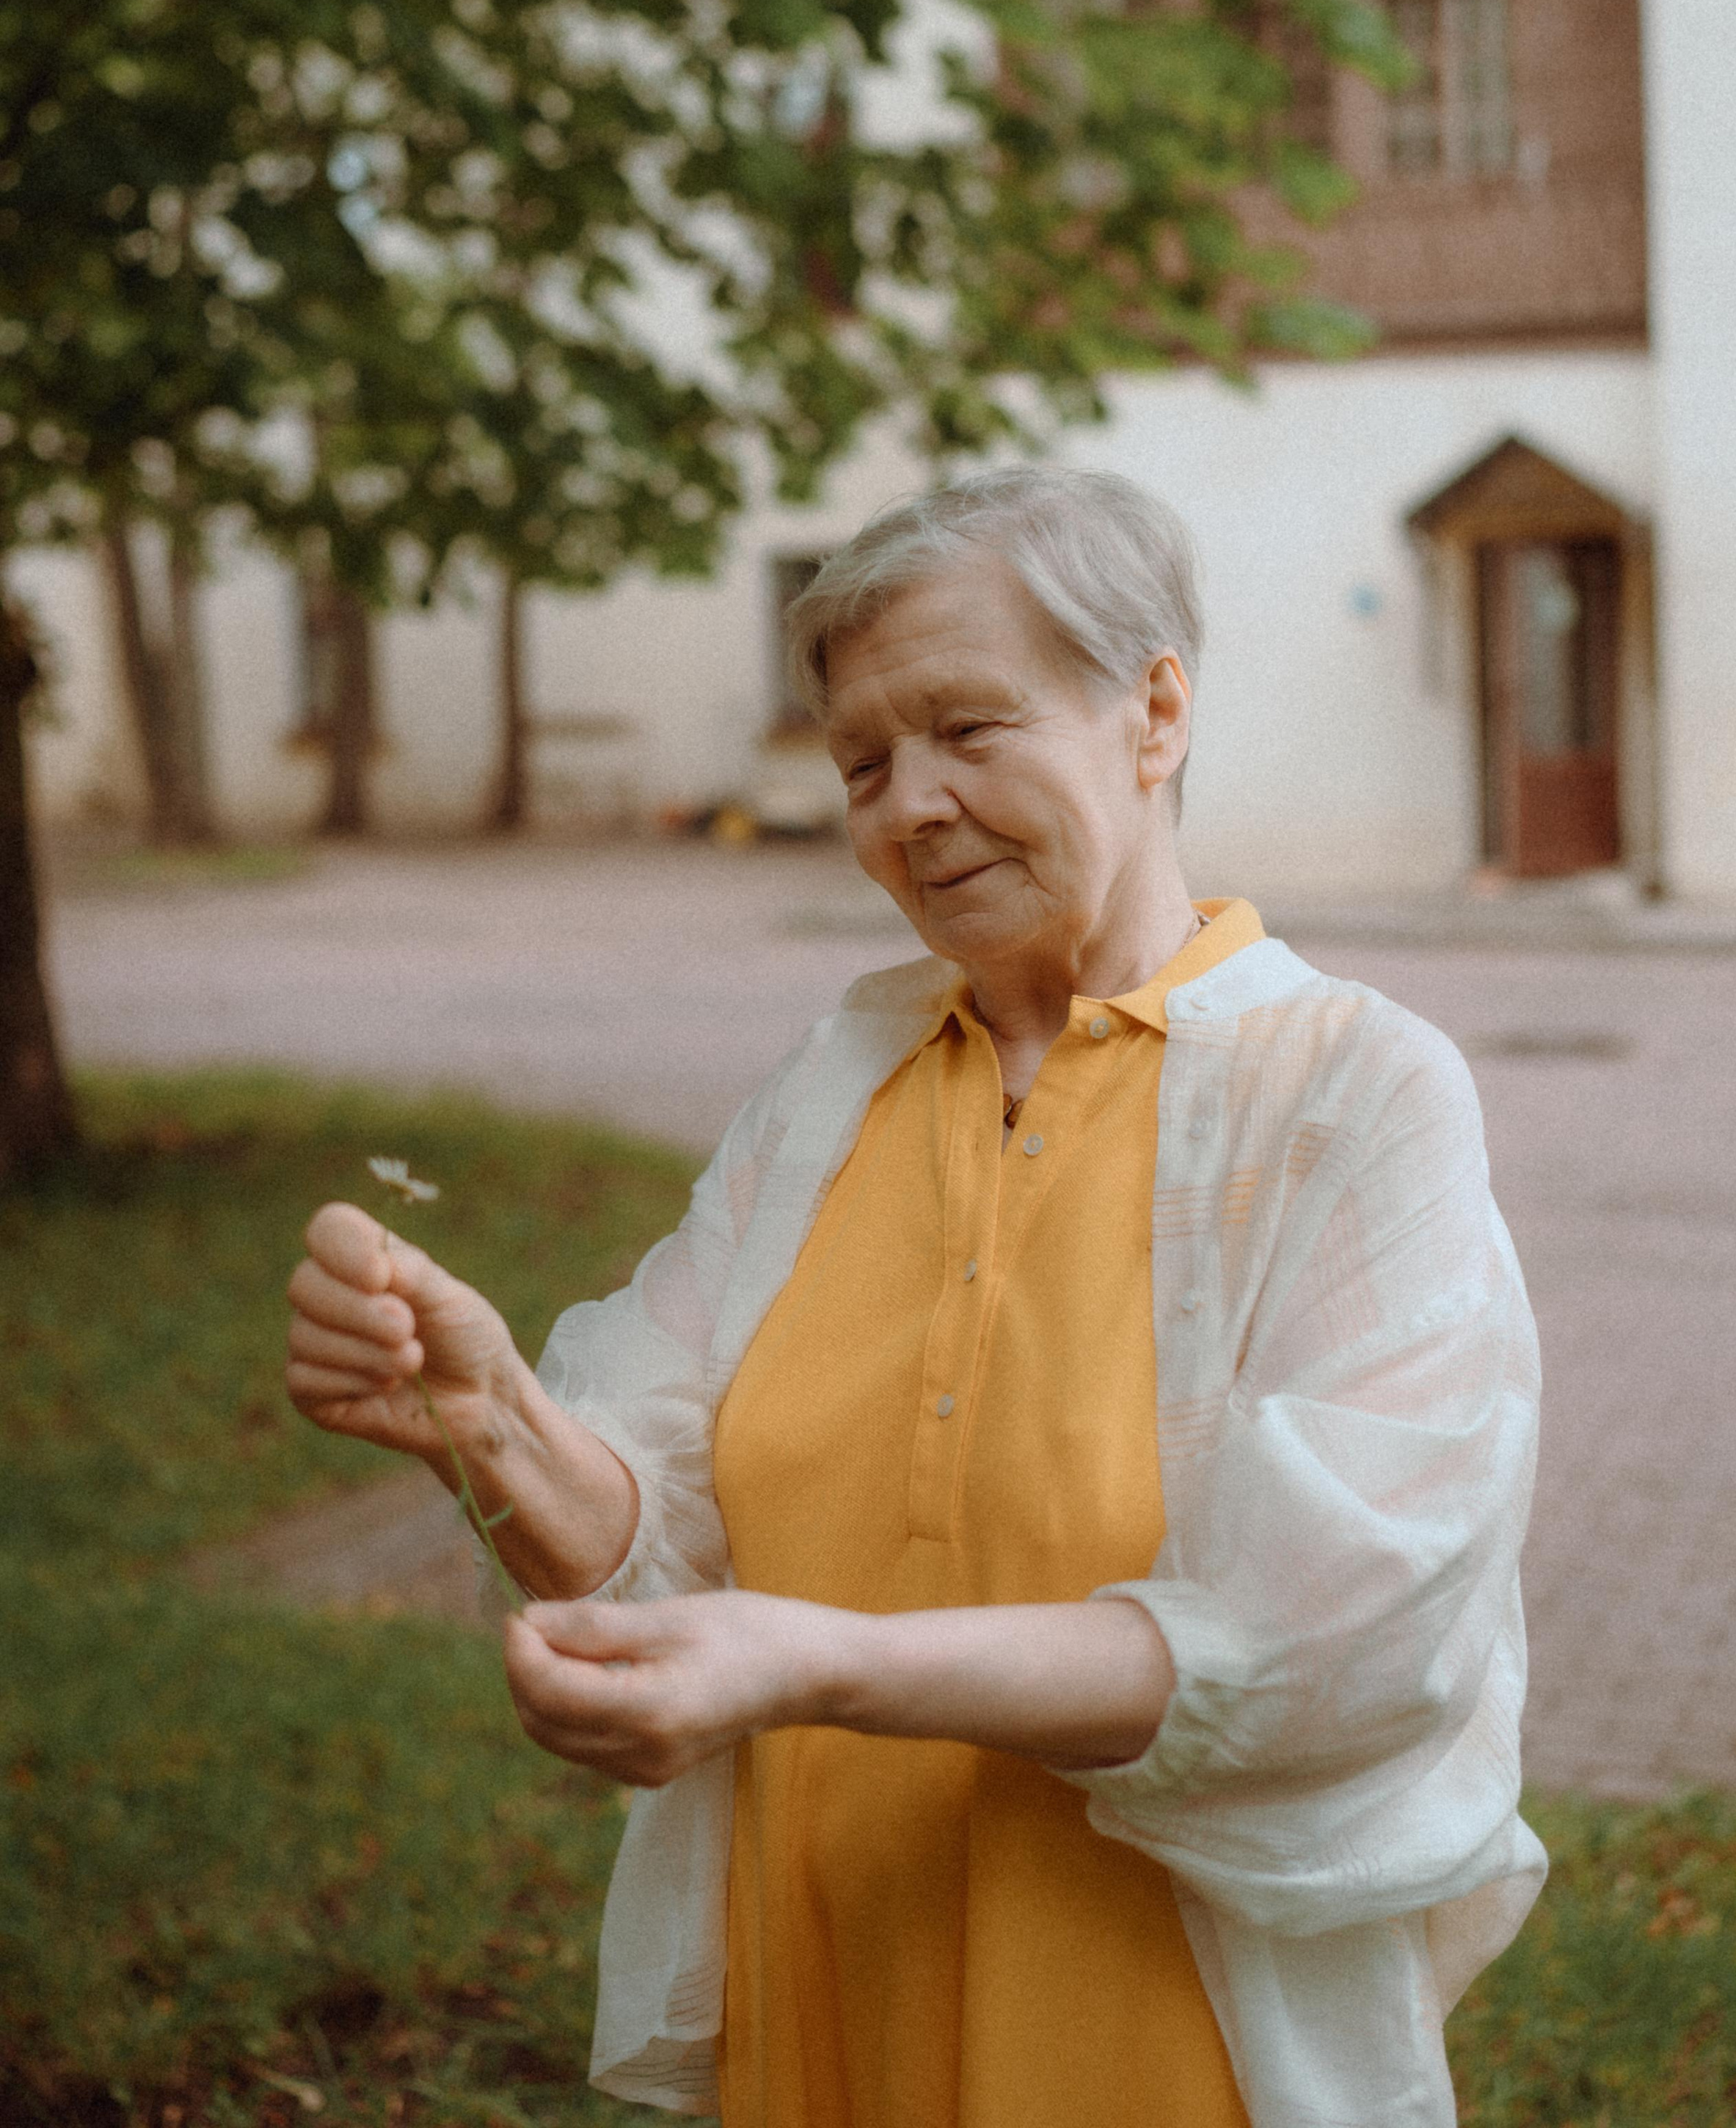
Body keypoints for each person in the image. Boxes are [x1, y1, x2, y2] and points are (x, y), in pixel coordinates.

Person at [285, 466, 1544, 2128]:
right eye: (863, 760)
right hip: (827, 2003)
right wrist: (495, 1425)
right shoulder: (837, 1089)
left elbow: (1323, 1639)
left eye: (968, 727)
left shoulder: (1347, 1091)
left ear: (1151, 711)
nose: (910, 806)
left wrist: (817, 1666)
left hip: (1161, 2041)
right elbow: (658, 1532)